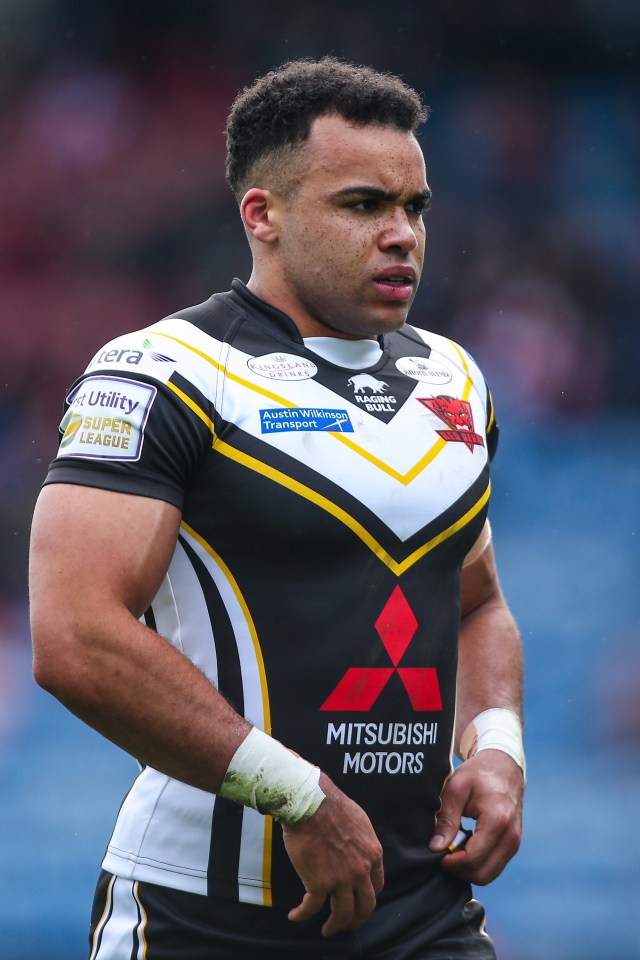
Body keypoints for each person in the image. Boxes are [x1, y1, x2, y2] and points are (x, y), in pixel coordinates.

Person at [29, 57, 525, 960]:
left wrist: (497, 746)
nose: (402, 235)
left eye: (415, 208)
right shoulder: (159, 372)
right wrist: (295, 794)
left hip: (423, 912)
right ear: (263, 216)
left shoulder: (455, 379)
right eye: (363, 205)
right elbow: (74, 638)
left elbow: (479, 600)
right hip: (203, 916)